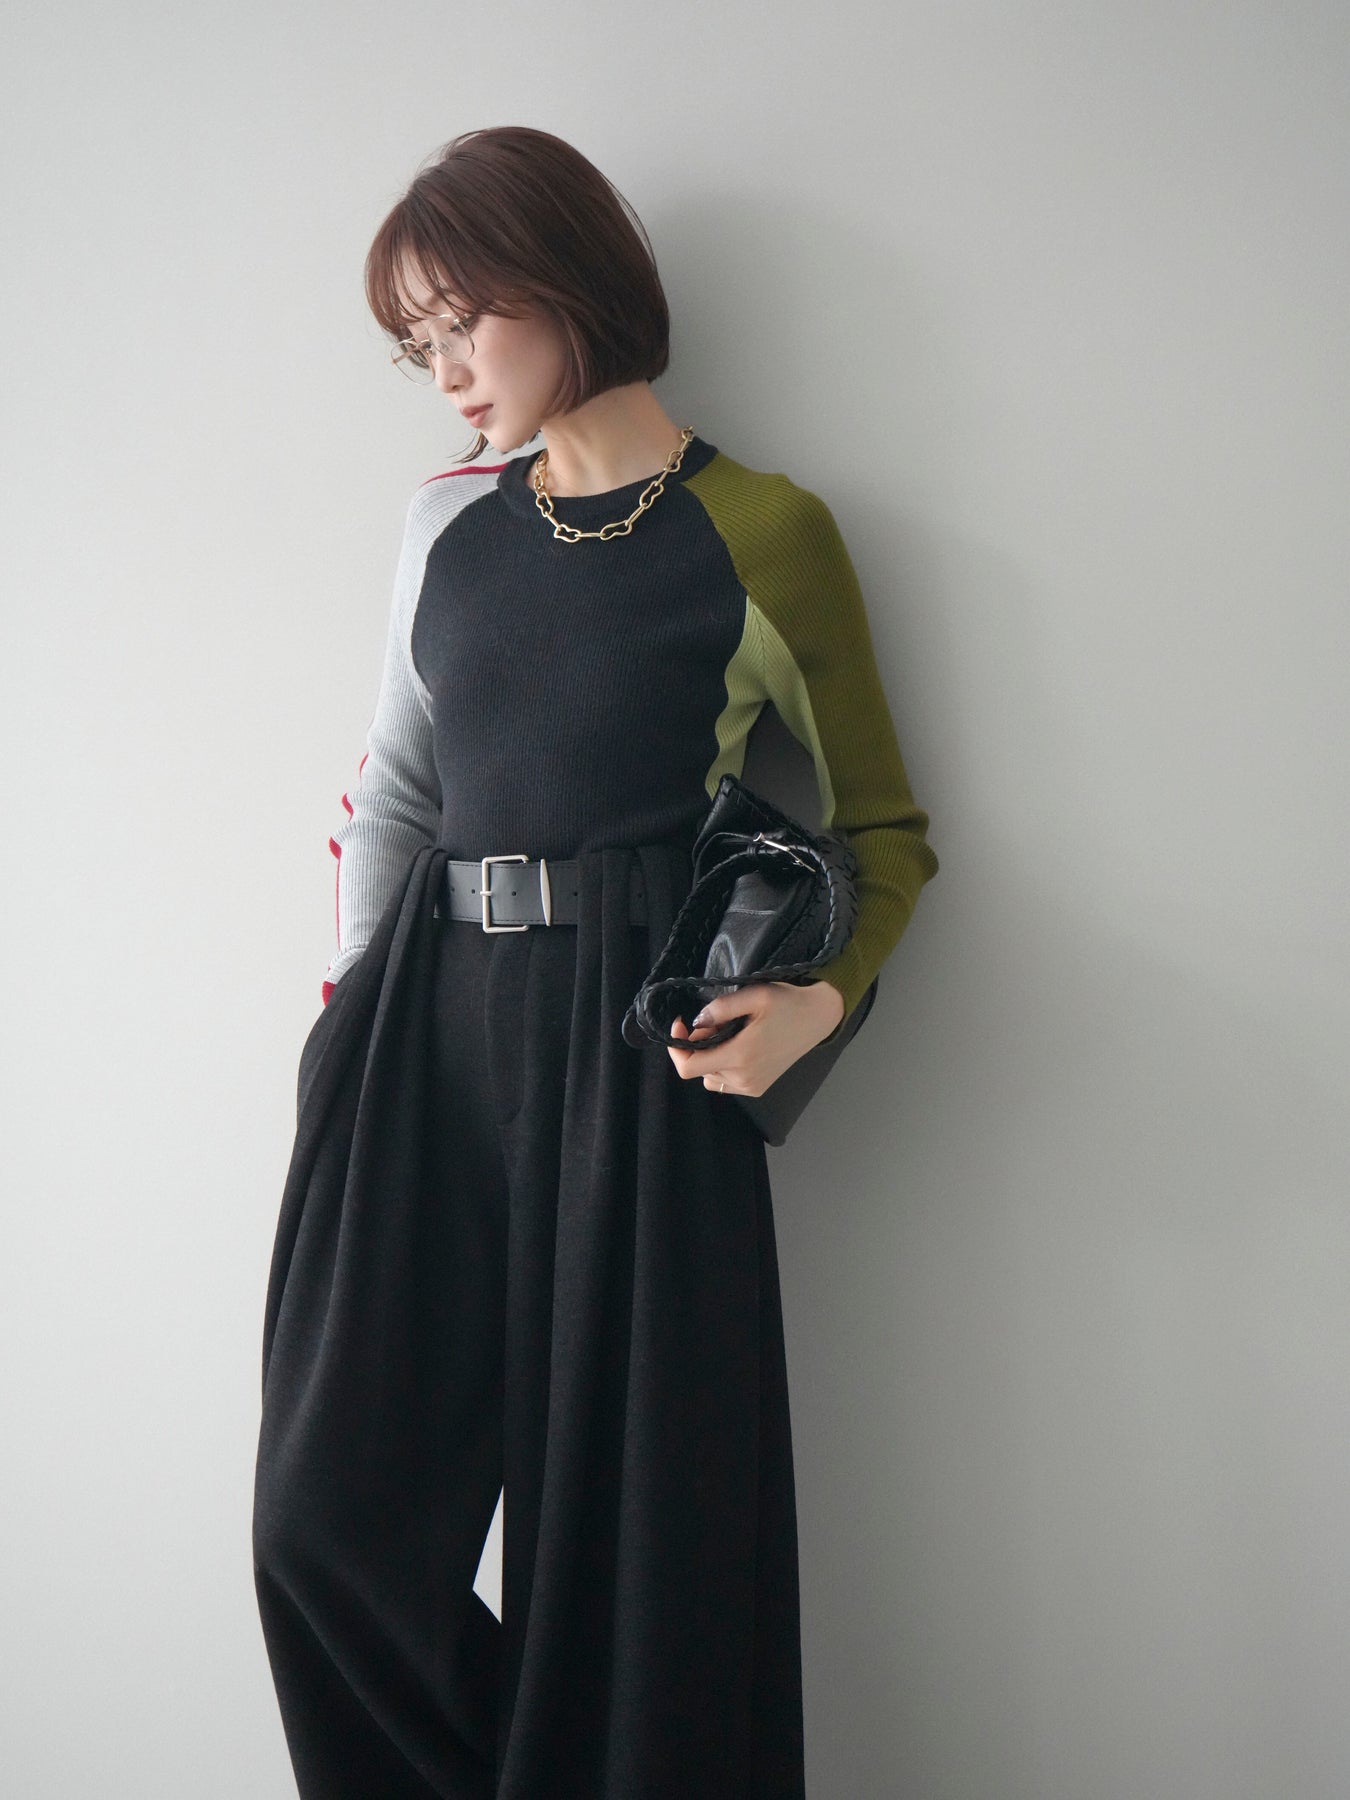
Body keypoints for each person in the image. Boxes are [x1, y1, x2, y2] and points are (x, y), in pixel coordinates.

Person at [251, 124, 938, 1800]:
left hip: (635, 1054)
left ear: (562, 285)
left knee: (627, 1559)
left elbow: (882, 830)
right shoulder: (444, 524)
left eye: (458, 327)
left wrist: (813, 1006)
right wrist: (344, 1034)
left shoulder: (762, 531)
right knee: (320, 1527)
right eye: (414, 346)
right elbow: (398, 790)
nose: (441, 377)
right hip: (421, 1034)